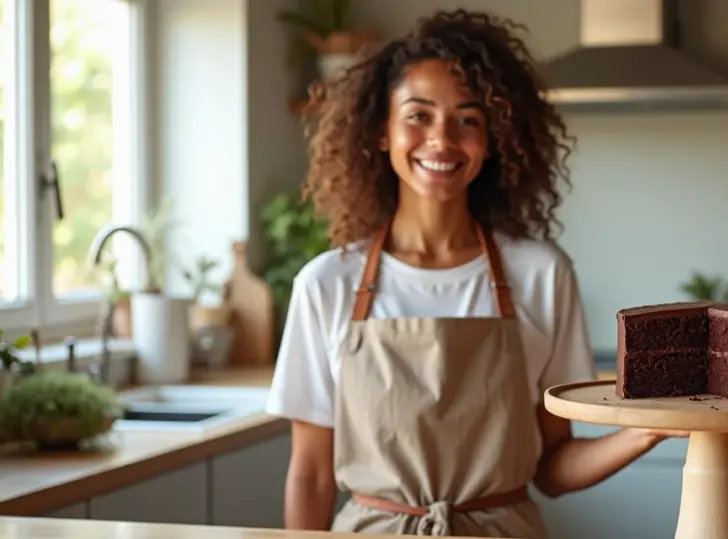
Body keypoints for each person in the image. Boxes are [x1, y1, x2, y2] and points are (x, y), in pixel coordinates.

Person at [265, 9, 688, 538]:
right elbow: (310, 476)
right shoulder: (326, 283)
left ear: (492, 141)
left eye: (468, 120)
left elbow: (553, 470)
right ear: (381, 131)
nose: (441, 140)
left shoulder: (542, 275)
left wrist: (645, 431)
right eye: (419, 116)